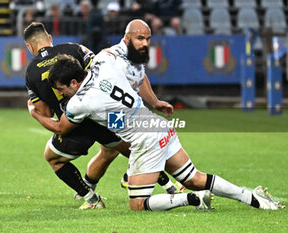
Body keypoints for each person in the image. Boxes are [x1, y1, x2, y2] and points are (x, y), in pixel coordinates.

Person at [29, 19, 285, 211]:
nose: (61, 95)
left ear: (73, 82)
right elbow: (129, 57)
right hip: (157, 124)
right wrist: (153, 101)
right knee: (194, 177)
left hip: (145, 139)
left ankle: (193, 199)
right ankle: (253, 198)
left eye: (61, 89)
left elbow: (61, 128)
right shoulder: (104, 61)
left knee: (138, 204)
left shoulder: (79, 104)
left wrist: (35, 114)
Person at [23, 22, 179, 208]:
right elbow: (99, 70)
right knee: (131, 148)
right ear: (50, 39)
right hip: (104, 116)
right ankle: (171, 187)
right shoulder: (74, 49)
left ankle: (91, 199)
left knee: (53, 158)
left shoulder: (31, 72)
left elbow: (46, 112)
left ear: (29, 47)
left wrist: (33, 112)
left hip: (74, 126)